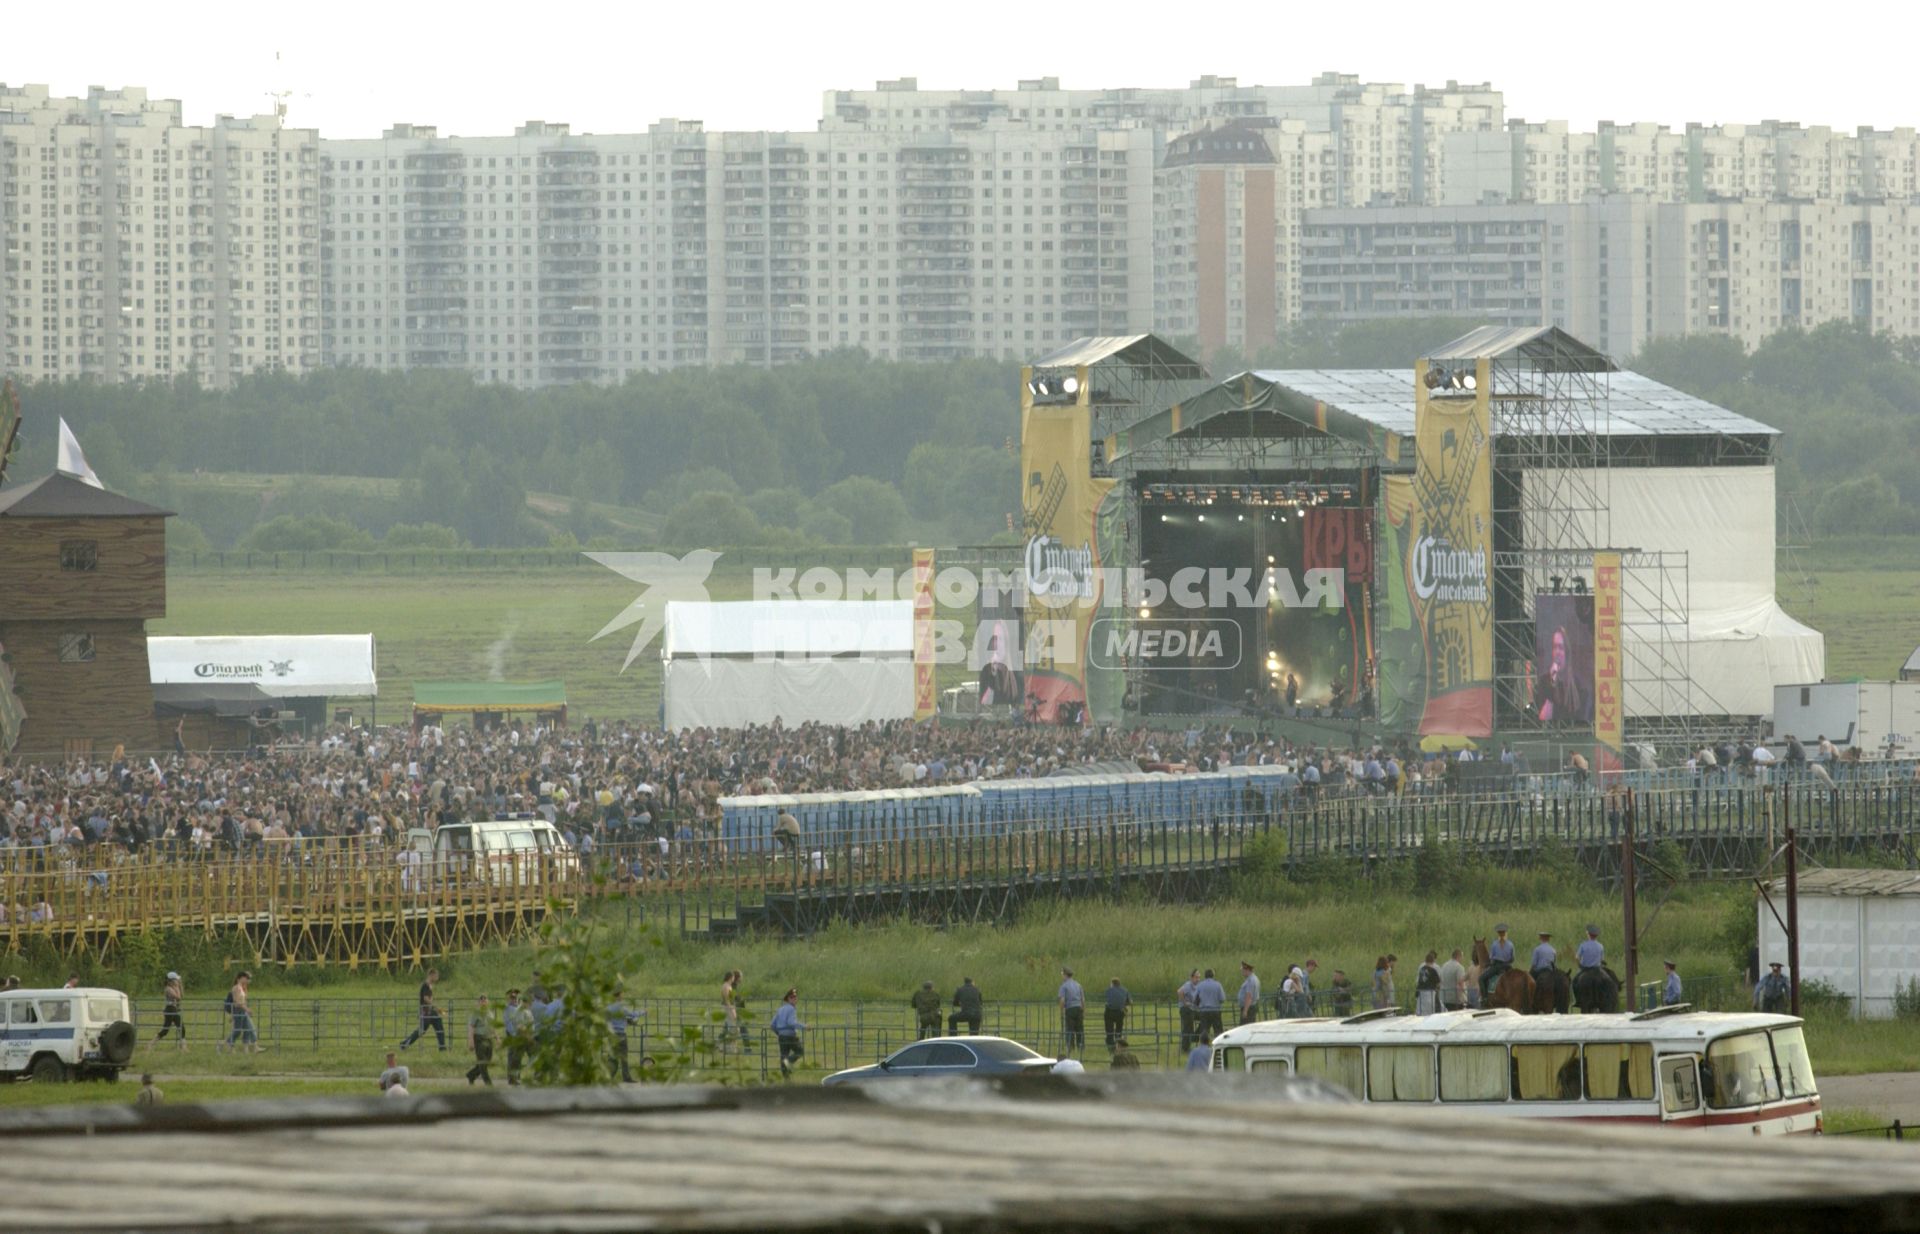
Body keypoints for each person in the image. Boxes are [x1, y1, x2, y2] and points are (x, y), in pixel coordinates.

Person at [400, 969, 447, 1051]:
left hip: (430, 1011)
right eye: (436, 976)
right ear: (431, 975)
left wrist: (435, 1008)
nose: (437, 978)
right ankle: (404, 1043)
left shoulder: (430, 985)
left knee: (439, 1026)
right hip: (425, 1011)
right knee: (422, 1030)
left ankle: (442, 1047)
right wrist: (436, 1007)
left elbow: (430, 998)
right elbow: (425, 999)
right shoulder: (425, 985)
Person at [771, 987, 806, 1079]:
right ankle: (788, 1062)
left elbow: (772, 1025)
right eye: (792, 997)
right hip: (790, 1036)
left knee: (783, 1054)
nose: (794, 999)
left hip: (782, 1036)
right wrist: (804, 1026)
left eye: (795, 997)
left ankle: (786, 1077)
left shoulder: (780, 1009)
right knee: (800, 1051)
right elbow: (791, 1023)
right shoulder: (791, 1009)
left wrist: (779, 1033)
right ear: (788, 999)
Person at [223, 971, 258, 1053]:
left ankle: (250, 1047)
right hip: (238, 1011)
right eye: (245, 978)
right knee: (238, 1030)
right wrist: (247, 1009)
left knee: (249, 1028)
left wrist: (246, 1009)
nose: (247, 980)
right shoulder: (236, 988)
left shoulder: (242, 988)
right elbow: (237, 1002)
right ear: (240, 978)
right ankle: (228, 1042)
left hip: (242, 1011)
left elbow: (243, 1001)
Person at [502, 988, 531, 1085]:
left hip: (520, 1036)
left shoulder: (520, 1008)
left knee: (518, 1057)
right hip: (512, 1036)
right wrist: (514, 1035)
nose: (514, 999)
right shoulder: (507, 1009)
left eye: (516, 997)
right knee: (512, 1057)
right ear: (509, 998)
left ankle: (516, 1077)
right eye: (512, 997)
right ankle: (512, 1079)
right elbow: (508, 1024)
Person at [465, 994, 495, 1086]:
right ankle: (489, 1084)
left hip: (488, 1038)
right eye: (481, 1000)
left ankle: (471, 1074)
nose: (483, 1002)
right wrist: (471, 1042)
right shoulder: (476, 1013)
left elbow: (492, 1026)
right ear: (479, 1002)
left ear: (487, 1001)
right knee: (482, 1062)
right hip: (479, 1038)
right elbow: (471, 1027)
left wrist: (497, 1038)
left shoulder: (490, 1013)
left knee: (487, 1061)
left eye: (485, 1000)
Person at [1057, 968, 1085, 1057]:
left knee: (1070, 1029)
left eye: (1062, 974)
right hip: (1079, 1008)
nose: (1062, 976)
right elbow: (1083, 999)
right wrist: (1083, 1010)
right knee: (1080, 1028)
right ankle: (1081, 1046)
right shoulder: (1078, 985)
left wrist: (1061, 1010)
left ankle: (1070, 1047)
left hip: (1070, 1009)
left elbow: (1062, 1000)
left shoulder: (1064, 986)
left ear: (1065, 975)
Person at [155, 971, 187, 1049]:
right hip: (169, 1009)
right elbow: (178, 997)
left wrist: (180, 985)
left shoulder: (173, 988)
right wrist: (177, 987)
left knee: (181, 1027)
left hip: (174, 1009)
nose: (177, 981)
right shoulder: (168, 989)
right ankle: (151, 1044)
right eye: (176, 980)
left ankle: (184, 1047)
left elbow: (182, 995)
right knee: (165, 1030)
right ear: (172, 981)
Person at [1193, 968, 1226, 1040]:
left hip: (1204, 1011)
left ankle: (1204, 1045)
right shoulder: (1218, 985)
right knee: (1218, 1030)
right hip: (1215, 1011)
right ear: (1213, 975)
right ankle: (1218, 1044)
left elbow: (1194, 998)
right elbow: (1222, 999)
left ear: (1205, 976)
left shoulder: (1200, 985)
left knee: (1204, 1030)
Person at [1176, 968, 1201, 1052]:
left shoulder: (1198, 986)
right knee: (1188, 1027)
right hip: (1185, 1009)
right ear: (1192, 977)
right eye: (1196, 977)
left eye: (1199, 977)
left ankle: (1195, 1036)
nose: (1198, 979)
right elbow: (1179, 992)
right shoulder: (1188, 984)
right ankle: (1185, 1048)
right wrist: (1185, 1002)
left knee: (1205, 1018)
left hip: (1193, 1009)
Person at [1102, 978, 1131, 1049]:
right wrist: (1123, 1004)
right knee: (1119, 1029)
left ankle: (1110, 1044)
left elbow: (1106, 999)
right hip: (1120, 1012)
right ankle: (1118, 1042)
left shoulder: (1108, 990)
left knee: (1109, 1029)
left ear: (1112, 983)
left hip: (1109, 1012)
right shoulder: (1125, 990)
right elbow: (1130, 1002)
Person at [721, 970, 746, 1049]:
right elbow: (727, 1000)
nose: (734, 979)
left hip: (731, 1007)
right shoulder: (726, 986)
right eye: (733, 977)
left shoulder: (729, 986)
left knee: (732, 1028)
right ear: (730, 977)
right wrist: (732, 1010)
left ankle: (727, 1046)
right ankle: (729, 1047)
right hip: (729, 1008)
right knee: (734, 1028)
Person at [1414, 951, 1443, 1015]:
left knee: (1421, 1011)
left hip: (1421, 992)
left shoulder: (1421, 969)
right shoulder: (1433, 970)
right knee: (1429, 1012)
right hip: (1429, 993)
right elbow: (1438, 983)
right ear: (1433, 961)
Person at [1236, 961, 1261, 1026]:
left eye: (1242, 970)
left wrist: (1245, 1011)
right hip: (1250, 1007)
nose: (1242, 972)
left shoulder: (1251, 981)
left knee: (1245, 1028)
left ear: (1247, 970)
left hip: (1249, 1008)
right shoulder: (1253, 979)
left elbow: (1249, 996)